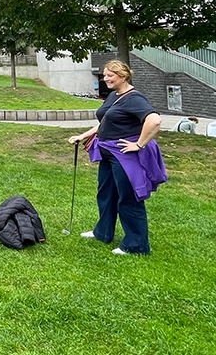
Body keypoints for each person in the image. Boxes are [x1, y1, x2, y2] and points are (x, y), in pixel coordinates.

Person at [68, 60, 165, 255]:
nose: (105, 79)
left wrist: (138, 144)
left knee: (128, 198)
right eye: (105, 75)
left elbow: (154, 120)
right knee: (106, 194)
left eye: (110, 75)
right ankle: (102, 232)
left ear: (123, 76)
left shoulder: (134, 98)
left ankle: (136, 245)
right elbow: (106, 122)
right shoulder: (114, 95)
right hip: (107, 152)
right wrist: (83, 135)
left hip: (124, 156)